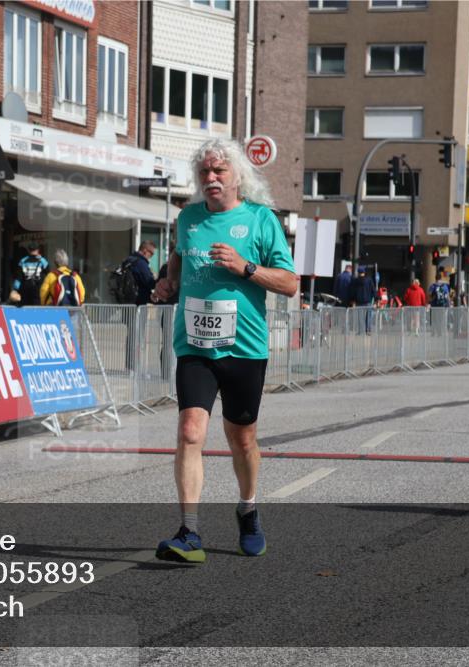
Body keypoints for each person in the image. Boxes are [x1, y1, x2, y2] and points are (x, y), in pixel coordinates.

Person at [150, 137, 297, 564]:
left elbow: (290, 284)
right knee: (190, 431)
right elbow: (177, 262)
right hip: (195, 347)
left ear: (237, 176)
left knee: (242, 438)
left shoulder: (260, 219)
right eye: (205, 173)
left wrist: (245, 267)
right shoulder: (189, 219)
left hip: (245, 349)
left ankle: (248, 509)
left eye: (220, 171)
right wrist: (169, 284)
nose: (212, 179)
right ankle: (189, 532)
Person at [117, 241, 158, 305]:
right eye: (151, 253)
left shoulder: (128, 260)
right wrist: (157, 280)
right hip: (138, 301)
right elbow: (150, 283)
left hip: (124, 299)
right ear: (145, 250)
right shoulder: (141, 263)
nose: (151, 256)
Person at [350, 267, 376, 333]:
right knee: (368, 317)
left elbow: (353, 292)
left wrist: (353, 300)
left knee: (360, 317)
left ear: (358, 273)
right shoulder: (369, 280)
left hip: (359, 302)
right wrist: (376, 299)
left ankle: (361, 331)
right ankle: (368, 330)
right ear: (364, 272)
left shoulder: (355, 281)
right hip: (368, 302)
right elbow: (373, 291)